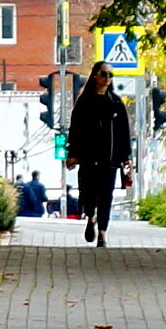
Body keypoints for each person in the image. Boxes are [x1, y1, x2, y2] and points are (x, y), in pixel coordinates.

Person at [65, 60, 132, 247]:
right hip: (87, 156)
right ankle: (91, 217)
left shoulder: (116, 103)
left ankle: (102, 232)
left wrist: (126, 158)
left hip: (109, 158)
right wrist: (72, 153)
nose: (107, 78)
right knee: (87, 192)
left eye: (110, 75)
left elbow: (124, 132)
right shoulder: (84, 102)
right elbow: (75, 128)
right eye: (104, 74)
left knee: (106, 195)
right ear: (95, 75)